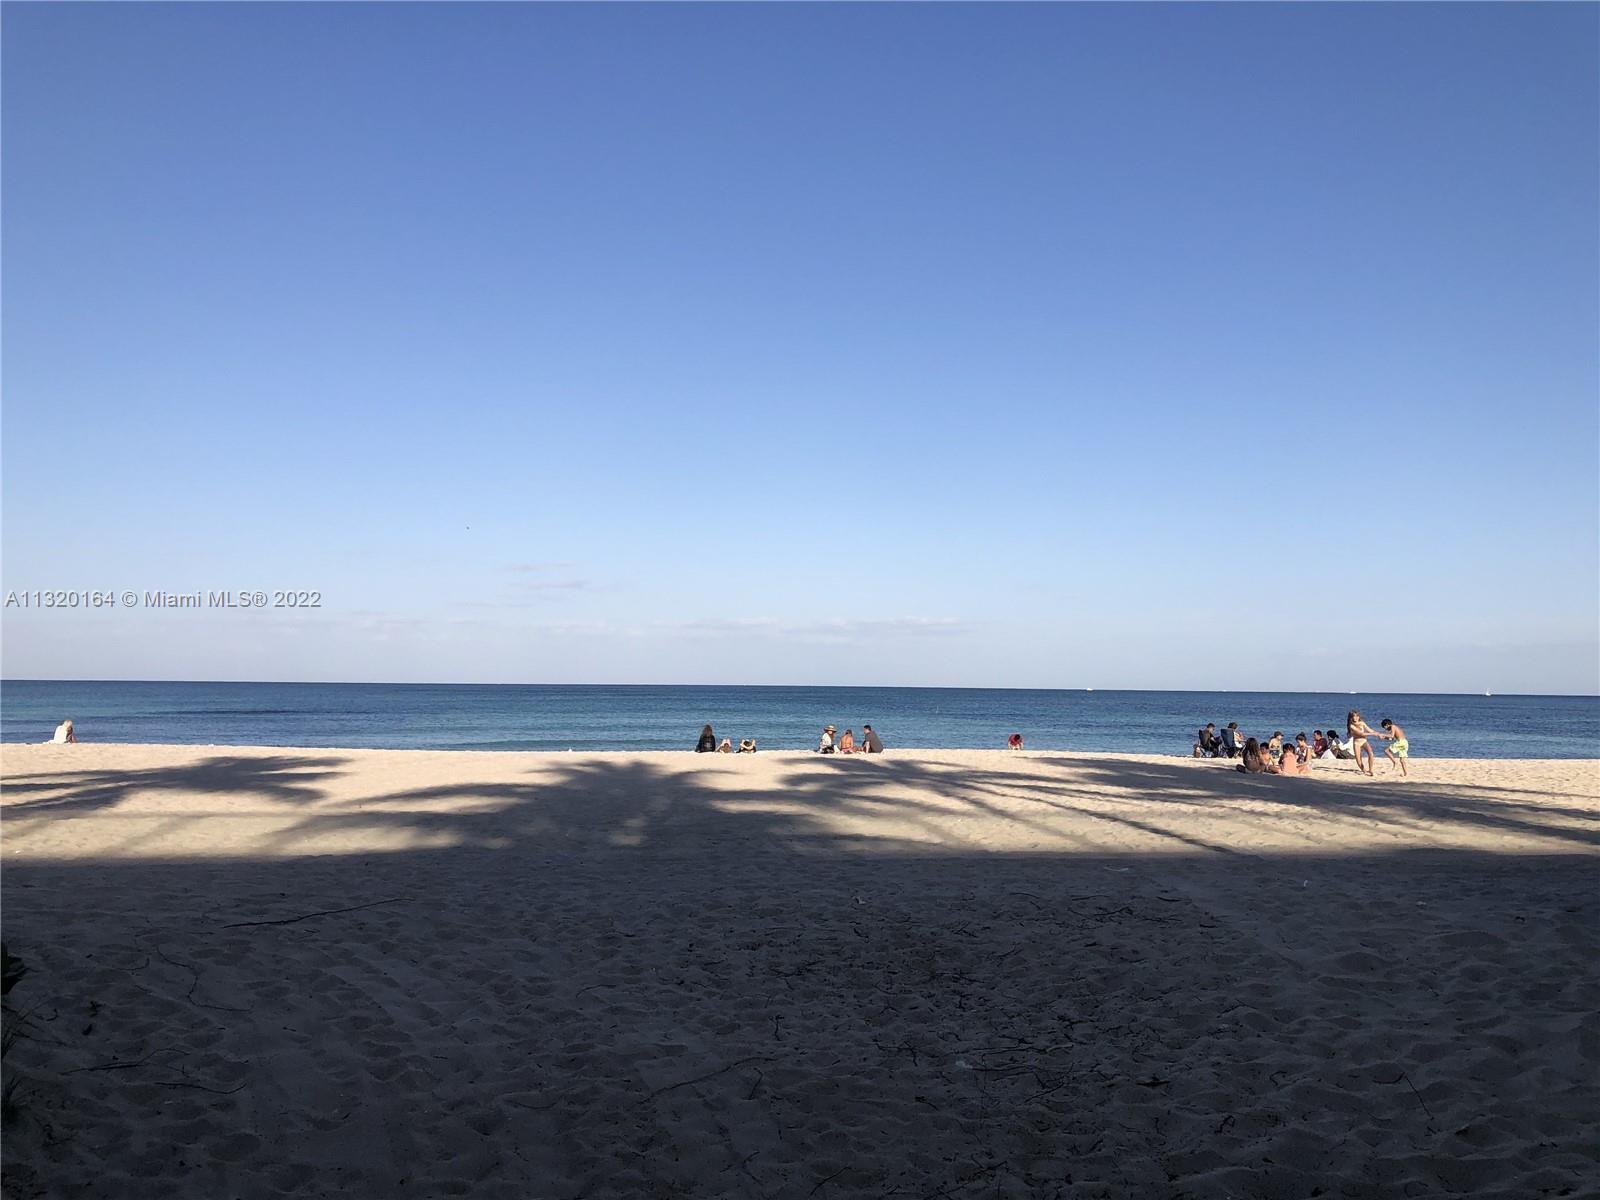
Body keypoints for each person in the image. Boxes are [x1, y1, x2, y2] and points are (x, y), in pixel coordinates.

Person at [1347, 710, 1380, 777]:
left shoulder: (1362, 722)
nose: (1355, 718)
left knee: (1371, 753)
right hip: (1357, 743)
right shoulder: (1351, 726)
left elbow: (1369, 729)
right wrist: (1373, 734)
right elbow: (1361, 733)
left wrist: (1378, 734)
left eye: (1357, 716)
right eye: (1354, 716)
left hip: (1364, 741)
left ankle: (1371, 770)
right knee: (1358, 759)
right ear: (1351, 717)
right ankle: (1364, 770)